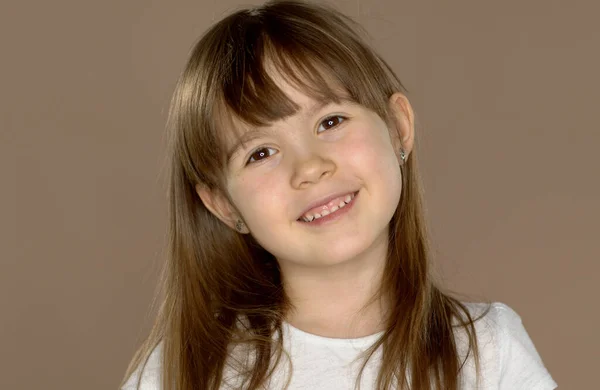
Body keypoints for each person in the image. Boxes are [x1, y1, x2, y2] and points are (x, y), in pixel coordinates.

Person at [120, 1, 557, 389]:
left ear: (397, 127)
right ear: (223, 204)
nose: (309, 167)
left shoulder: (489, 351)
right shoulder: (184, 373)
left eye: (330, 122)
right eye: (261, 152)